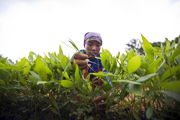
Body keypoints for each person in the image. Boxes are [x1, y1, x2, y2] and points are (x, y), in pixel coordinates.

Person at [71, 32, 108, 112]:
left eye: (97, 45)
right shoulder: (78, 56)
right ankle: (78, 103)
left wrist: (107, 92)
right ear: (84, 45)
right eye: (90, 44)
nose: (94, 48)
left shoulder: (102, 58)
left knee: (100, 75)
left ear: (100, 48)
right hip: (80, 97)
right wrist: (71, 68)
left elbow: (107, 76)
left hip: (96, 95)